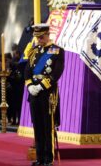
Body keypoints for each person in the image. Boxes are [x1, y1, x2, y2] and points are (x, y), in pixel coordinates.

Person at [25, 23, 64, 166]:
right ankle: (39, 158)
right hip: (34, 94)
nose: (39, 40)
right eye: (37, 37)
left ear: (48, 35)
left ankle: (48, 159)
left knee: (48, 126)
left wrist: (41, 86)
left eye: (41, 37)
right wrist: (30, 86)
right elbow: (27, 71)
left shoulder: (57, 51)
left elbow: (56, 73)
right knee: (38, 126)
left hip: (48, 94)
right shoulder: (34, 51)